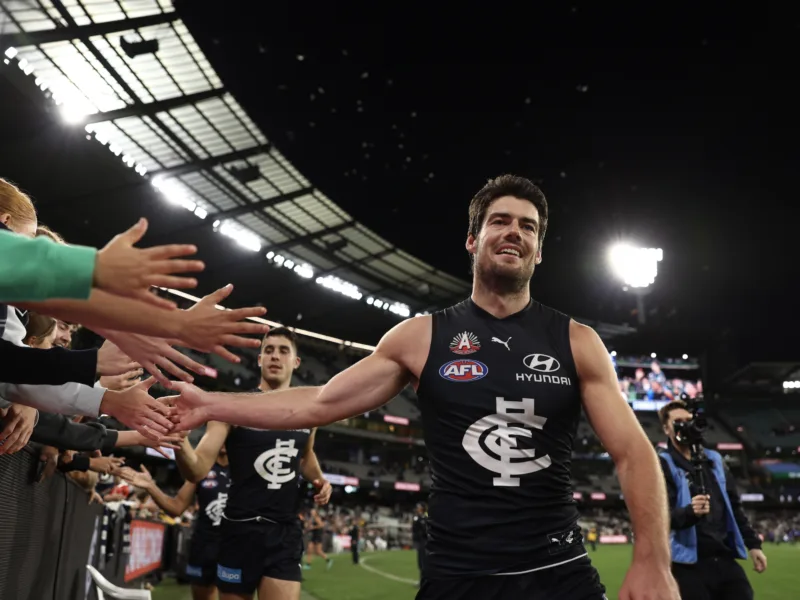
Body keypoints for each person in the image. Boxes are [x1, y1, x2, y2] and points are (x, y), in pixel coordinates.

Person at [169, 175, 680, 600]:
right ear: (472, 240)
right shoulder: (420, 337)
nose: (514, 232)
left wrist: (653, 560)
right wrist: (211, 402)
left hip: (557, 571)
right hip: (456, 575)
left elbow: (634, 453)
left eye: (528, 226)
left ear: (539, 251)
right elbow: (320, 402)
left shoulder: (577, 341)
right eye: (500, 221)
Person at [172, 328, 332, 600]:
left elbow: (305, 455)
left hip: (284, 532)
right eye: (269, 350)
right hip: (239, 530)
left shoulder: (308, 413)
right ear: (259, 360)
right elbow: (197, 469)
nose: (275, 356)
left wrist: (320, 480)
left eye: (283, 351)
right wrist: (180, 441)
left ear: (296, 362)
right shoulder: (231, 408)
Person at [658, 400, 767, 600]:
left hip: (723, 556)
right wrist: (690, 512)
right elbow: (661, 517)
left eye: (688, 420)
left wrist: (753, 544)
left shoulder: (714, 459)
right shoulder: (663, 464)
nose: (685, 426)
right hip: (687, 564)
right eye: (678, 422)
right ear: (666, 429)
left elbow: (734, 506)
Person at [119, 443, 230, 600]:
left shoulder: (246, 468)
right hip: (205, 544)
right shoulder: (202, 469)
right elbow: (176, 507)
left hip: (235, 545)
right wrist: (151, 486)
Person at [411, 502, 428, 582]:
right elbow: (414, 529)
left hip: (424, 542)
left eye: (418, 507)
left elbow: (425, 530)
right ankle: (422, 580)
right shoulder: (417, 518)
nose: (417, 508)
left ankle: (424, 581)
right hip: (420, 542)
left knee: (423, 562)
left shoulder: (424, 518)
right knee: (420, 562)